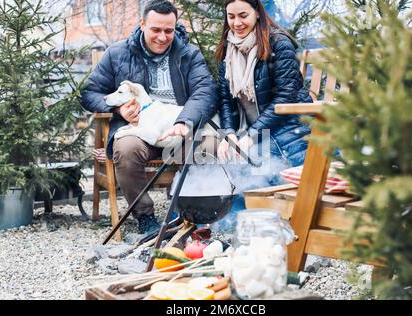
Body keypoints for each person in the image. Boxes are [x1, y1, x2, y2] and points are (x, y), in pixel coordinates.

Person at [80, 0, 218, 234]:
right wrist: (118, 111)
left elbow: (206, 91)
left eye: (169, 30)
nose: (162, 37)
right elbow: (89, 92)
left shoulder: (188, 54)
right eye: (156, 29)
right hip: (137, 131)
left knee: (212, 145)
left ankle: (191, 213)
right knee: (126, 149)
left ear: (175, 27)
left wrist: (184, 121)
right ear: (142, 24)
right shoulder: (118, 53)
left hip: (177, 132)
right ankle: (146, 218)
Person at [215, 0, 312, 168]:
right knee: (231, 177)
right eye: (231, 17)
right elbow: (225, 99)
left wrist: (252, 135)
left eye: (243, 15)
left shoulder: (279, 44)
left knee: (257, 179)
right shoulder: (228, 51)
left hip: (289, 126)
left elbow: (286, 96)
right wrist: (228, 133)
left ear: (257, 13)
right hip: (255, 132)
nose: (237, 23)